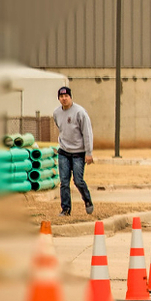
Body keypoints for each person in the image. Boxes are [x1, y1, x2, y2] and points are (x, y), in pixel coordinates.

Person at [53, 86, 94, 216]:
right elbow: (60, 128)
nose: (64, 99)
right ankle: (65, 209)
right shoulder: (56, 113)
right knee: (64, 182)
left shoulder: (80, 112)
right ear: (59, 98)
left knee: (78, 181)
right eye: (61, 96)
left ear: (70, 97)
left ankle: (87, 199)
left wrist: (88, 153)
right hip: (64, 151)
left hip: (78, 153)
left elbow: (87, 133)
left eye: (66, 96)